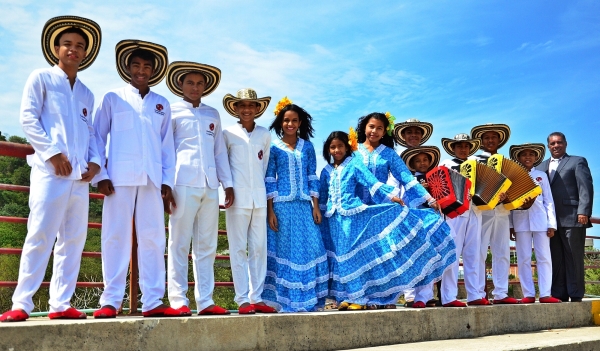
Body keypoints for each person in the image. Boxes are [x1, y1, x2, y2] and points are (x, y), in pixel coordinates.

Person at [0, 16, 102, 323]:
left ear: (85, 53)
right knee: (40, 236)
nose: (74, 50)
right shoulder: (41, 78)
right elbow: (28, 118)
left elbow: (92, 133)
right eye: (68, 44)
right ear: (56, 48)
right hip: (50, 174)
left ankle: (61, 303)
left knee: (73, 240)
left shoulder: (87, 93)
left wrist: (95, 161)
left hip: (80, 179)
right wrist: (52, 154)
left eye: (80, 46)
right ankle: (22, 303)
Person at [319, 132, 455, 310]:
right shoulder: (326, 171)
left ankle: (359, 299)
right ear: (328, 149)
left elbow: (372, 183)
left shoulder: (354, 164)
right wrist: (318, 215)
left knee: (350, 256)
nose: (337, 150)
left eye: (340, 146)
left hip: (354, 215)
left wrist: (391, 197)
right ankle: (348, 297)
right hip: (333, 219)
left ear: (347, 148)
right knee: (340, 258)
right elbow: (322, 195)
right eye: (333, 147)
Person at [92, 40, 176, 318]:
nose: (141, 70)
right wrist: (101, 174)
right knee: (115, 236)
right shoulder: (112, 98)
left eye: (147, 67)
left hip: (152, 179)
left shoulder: (161, 104)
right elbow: (97, 136)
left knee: (153, 238)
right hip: (118, 178)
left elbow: (167, 147)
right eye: (136, 65)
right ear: (127, 68)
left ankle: (152, 301)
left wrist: (167, 181)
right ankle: (111, 300)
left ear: (154, 71)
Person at [163, 61, 234, 316]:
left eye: (200, 83)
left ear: (205, 87)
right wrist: (166, 184)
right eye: (190, 82)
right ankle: (178, 301)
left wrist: (228, 184)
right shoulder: (171, 112)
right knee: (179, 244)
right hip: (182, 182)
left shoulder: (213, 114)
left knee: (207, 245)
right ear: (180, 84)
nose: (195, 87)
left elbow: (219, 153)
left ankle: (205, 301)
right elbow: (166, 151)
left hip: (209, 185)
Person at [355, 112, 440, 308]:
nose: (374, 131)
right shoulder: (354, 152)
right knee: (363, 254)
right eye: (371, 126)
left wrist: (429, 198)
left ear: (385, 132)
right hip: (358, 209)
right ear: (364, 128)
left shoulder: (389, 154)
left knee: (385, 253)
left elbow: (407, 178)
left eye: (379, 128)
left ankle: (385, 299)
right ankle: (362, 298)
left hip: (382, 209)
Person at [262, 97, 329, 312]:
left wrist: (315, 206)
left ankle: (307, 299)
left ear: (300, 123)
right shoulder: (273, 146)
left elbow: (312, 176)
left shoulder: (307, 147)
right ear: (280, 122)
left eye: (294, 120)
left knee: (311, 248)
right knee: (283, 250)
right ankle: (283, 301)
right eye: (286, 120)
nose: (290, 124)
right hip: (281, 206)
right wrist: (270, 210)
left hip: (303, 206)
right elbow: (270, 177)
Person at [222, 88, 276, 314]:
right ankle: (242, 298)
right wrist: (227, 188)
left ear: (257, 109)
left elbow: (264, 166)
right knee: (237, 249)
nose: (246, 109)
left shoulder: (264, 134)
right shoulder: (227, 133)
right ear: (235, 108)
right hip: (236, 198)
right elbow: (223, 164)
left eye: (251, 105)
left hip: (259, 198)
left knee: (258, 248)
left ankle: (257, 297)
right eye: (242, 105)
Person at [538, 132, 593, 302]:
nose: (556, 146)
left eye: (559, 143)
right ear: (548, 146)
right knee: (556, 258)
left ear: (565, 144)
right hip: (550, 221)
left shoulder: (577, 161)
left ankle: (575, 293)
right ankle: (559, 293)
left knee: (573, 256)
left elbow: (586, 187)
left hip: (573, 217)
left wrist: (584, 210)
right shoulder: (540, 167)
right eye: (552, 143)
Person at [470, 123, 518, 304]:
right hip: (483, 211)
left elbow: (516, 189)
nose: (490, 140)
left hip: (503, 213)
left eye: (494, 137)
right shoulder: (474, 161)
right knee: (479, 252)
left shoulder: (507, 163)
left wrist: (507, 196)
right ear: (481, 141)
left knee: (503, 252)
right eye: (487, 137)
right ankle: (479, 292)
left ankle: (501, 293)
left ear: (499, 140)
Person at [439, 134, 489, 306]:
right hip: (454, 212)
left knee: (473, 254)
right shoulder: (446, 164)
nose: (463, 149)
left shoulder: (478, 165)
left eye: (466, 146)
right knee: (452, 254)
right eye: (459, 146)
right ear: (453, 148)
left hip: (475, 211)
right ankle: (449, 297)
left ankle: (475, 294)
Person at [508, 143, 561, 304]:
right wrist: (511, 225)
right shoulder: (512, 177)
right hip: (520, 221)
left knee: (544, 257)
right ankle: (528, 294)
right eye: (524, 154)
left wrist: (551, 223)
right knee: (523, 258)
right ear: (518, 157)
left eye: (531, 154)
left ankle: (545, 293)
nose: (528, 157)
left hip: (540, 221)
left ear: (536, 158)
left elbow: (549, 201)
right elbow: (509, 204)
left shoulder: (541, 176)